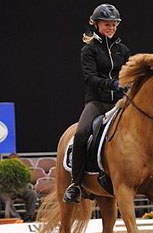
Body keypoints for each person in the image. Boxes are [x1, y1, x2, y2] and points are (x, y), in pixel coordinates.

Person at [63, 4, 130, 203]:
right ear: (97, 24)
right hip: (97, 102)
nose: (111, 27)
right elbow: (90, 78)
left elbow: (129, 73)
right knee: (82, 132)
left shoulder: (123, 50)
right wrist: (114, 84)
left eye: (114, 24)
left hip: (119, 103)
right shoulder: (89, 50)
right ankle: (76, 184)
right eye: (107, 24)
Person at [6, 153, 38, 222]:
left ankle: (29, 217)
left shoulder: (22, 169)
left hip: (21, 189)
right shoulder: (4, 169)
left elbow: (28, 180)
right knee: (4, 197)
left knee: (32, 194)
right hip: (8, 191)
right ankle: (16, 217)